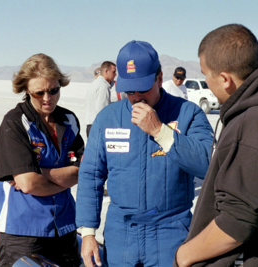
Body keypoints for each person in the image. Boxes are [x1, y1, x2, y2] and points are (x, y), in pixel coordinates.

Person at [175, 24, 258, 267]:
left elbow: (237, 223)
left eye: (206, 74)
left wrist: (183, 256)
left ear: (225, 79)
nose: (206, 81)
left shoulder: (254, 124)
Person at [76, 40, 214, 267]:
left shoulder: (189, 113)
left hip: (171, 230)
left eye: (144, 88)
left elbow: (208, 164)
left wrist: (161, 132)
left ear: (159, 78)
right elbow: (91, 175)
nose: (137, 97)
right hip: (121, 232)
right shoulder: (108, 119)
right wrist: (88, 232)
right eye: (130, 91)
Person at [0, 53, 84, 267]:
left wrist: (40, 172)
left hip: (65, 228)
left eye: (53, 90)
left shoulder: (69, 120)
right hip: (23, 232)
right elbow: (27, 184)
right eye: (39, 92)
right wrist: (62, 179)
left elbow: (81, 171)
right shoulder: (14, 123)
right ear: (27, 90)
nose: (48, 98)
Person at [85, 61, 117, 137]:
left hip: (90, 125)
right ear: (106, 71)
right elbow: (102, 110)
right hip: (98, 127)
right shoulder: (103, 86)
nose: (115, 75)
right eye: (113, 72)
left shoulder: (94, 84)